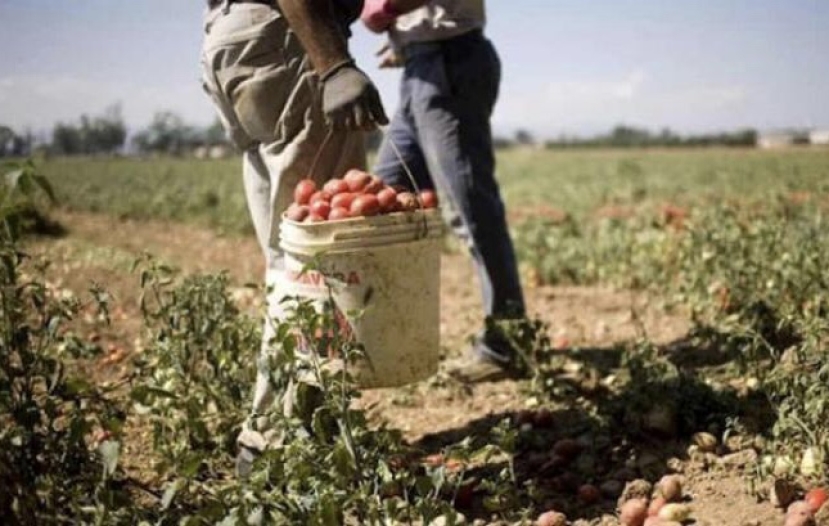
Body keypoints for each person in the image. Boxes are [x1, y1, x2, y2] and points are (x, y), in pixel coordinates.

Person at [200, 0, 388, 476]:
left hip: (234, 41)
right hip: (288, 39)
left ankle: (298, 431)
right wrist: (334, 64)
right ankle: (275, 443)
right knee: (319, 259)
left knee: (290, 258)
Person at [361, 0, 527, 381]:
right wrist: (402, 37)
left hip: (451, 61)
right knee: (383, 196)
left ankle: (507, 343)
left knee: (470, 208)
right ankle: (389, 336)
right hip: (420, 65)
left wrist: (382, 8)